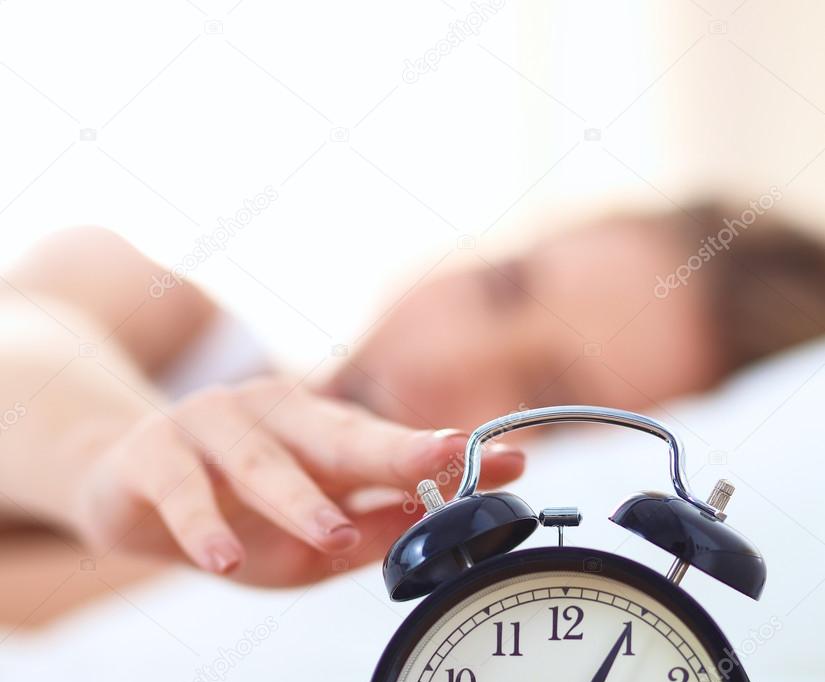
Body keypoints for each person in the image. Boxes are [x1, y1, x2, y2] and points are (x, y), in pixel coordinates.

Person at [2, 202, 825, 630]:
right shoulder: (165, 318)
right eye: (497, 287)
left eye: (541, 397)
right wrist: (105, 454)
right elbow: (29, 329)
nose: (443, 359)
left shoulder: (337, 574)